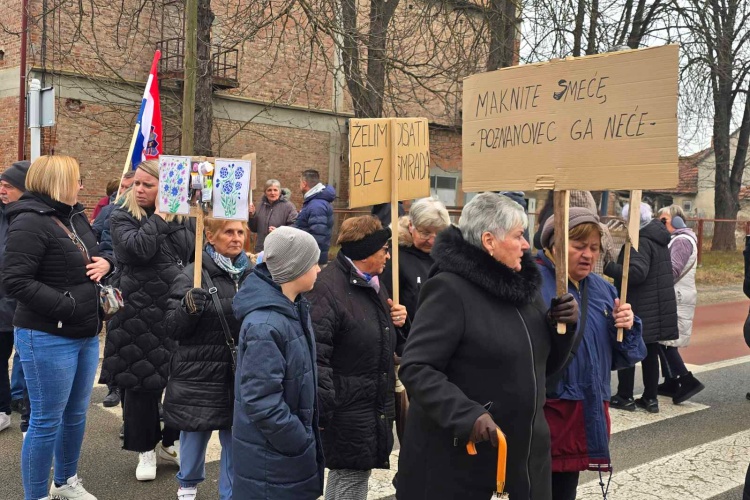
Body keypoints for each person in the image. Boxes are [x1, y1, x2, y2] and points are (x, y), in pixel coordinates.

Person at [396, 192, 578, 500]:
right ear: (489, 240)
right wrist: (466, 414)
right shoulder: (449, 290)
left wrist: (562, 329)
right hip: (464, 464)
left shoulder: (524, 289)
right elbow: (417, 368)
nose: (526, 245)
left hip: (524, 459)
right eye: (519, 236)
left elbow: (542, 369)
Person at [3, 155, 113, 500]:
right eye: (76, 179)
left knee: (76, 414)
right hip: (46, 336)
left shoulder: (75, 215)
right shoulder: (29, 222)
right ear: (58, 182)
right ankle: (35, 495)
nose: (81, 185)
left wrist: (107, 262)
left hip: (84, 332)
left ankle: (65, 481)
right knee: (46, 421)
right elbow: (14, 281)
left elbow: (97, 253)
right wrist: (66, 305)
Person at [537, 208, 646, 500]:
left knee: (564, 491)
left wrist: (626, 327)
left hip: (582, 412)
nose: (588, 255)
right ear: (554, 244)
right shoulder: (531, 281)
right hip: (544, 412)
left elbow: (626, 356)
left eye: (594, 248)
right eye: (579, 246)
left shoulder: (601, 289)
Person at [101, 159, 195, 481]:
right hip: (138, 312)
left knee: (179, 381)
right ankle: (145, 449)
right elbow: (137, 249)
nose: (138, 189)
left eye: (147, 185)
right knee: (142, 382)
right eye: (136, 183)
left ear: (165, 188)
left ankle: (170, 442)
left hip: (176, 308)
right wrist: (160, 216)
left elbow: (194, 254)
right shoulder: (122, 215)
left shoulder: (185, 218)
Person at [308, 216, 407, 500]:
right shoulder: (328, 288)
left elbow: (383, 339)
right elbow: (318, 353)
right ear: (366, 252)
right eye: (384, 249)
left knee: (347, 475)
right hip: (346, 408)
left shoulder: (372, 283)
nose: (388, 255)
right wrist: (324, 409)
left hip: (366, 403)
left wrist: (398, 322)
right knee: (351, 477)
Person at [232, 226, 325, 499]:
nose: (319, 270)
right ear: (295, 268)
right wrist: (298, 439)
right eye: (314, 263)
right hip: (273, 459)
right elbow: (261, 400)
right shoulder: (267, 324)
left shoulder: (293, 308)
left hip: (281, 455)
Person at [164, 218, 251, 500]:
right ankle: (187, 487)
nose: (236, 238)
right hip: (199, 371)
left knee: (235, 438)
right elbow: (172, 328)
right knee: (194, 432)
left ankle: (231, 494)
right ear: (210, 237)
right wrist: (187, 309)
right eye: (229, 232)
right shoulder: (193, 274)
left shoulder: (253, 274)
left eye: (240, 232)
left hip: (240, 371)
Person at [605, 202, 678, 414]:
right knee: (650, 354)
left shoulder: (639, 239)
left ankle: (625, 396)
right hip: (655, 305)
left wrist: (610, 267)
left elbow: (637, 273)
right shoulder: (658, 236)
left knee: (627, 345)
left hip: (640, 305)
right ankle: (650, 398)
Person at [94, 170, 136, 410]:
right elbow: (94, 237)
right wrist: (105, 259)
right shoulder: (111, 211)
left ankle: (137, 397)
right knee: (116, 333)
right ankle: (114, 386)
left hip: (139, 281)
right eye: (127, 186)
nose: (130, 191)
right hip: (113, 278)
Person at [656, 206, 705, 403]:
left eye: (663, 221)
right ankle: (671, 381)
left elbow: (672, 270)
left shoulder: (682, 240)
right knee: (663, 340)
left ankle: (687, 380)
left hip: (676, 296)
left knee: (665, 341)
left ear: (677, 221)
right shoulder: (679, 239)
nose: (660, 224)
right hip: (676, 295)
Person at [0, 160, 29, 434]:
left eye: (8, 186)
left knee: (27, 358)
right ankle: (1, 408)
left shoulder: (32, 217)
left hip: (25, 305)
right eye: (1, 185)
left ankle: (24, 405)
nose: (2, 190)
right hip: (1, 303)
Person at [295, 169, 335, 265]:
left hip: (313, 261)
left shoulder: (316, 205)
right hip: (313, 258)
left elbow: (318, 236)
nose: (299, 185)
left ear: (304, 184)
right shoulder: (314, 202)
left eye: (300, 182)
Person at [248, 178, 298, 252]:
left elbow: (294, 227)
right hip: (261, 249)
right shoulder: (261, 205)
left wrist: (279, 231)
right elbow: (254, 228)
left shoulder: (289, 207)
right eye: (269, 190)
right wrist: (252, 216)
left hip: (279, 250)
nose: (272, 193)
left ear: (280, 192)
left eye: (275, 190)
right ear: (265, 192)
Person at [92, 171, 135, 241]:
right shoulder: (108, 210)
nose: (122, 191)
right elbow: (94, 234)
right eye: (122, 186)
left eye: (127, 188)